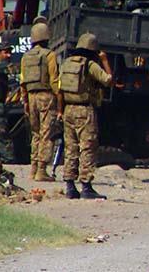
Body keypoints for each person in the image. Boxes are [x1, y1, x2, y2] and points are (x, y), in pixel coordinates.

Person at [59, 33, 113, 200]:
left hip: (68, 109)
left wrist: (60, 110)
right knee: (88, 147)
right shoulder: (90, 64)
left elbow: (59, 90)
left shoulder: (66, 64)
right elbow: (108, 80)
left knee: (70, 147)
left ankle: (70, 186)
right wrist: (105, 60)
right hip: (84, 110)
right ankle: (86, 186)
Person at [20, 23, 60, 181]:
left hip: (31, 97)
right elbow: (54, 80)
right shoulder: (49, 55)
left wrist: (25, 101)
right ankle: (42, 170)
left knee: (35, 134)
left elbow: (22, 82)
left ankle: (34, 168)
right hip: (46, 97)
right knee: (46, 133)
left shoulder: (25, 57)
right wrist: (60, 99)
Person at [0, 42, 13, 168]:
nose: (9, 55)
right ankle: (7, 160)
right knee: (1, 134)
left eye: (10, 52)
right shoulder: (2, 68)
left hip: (1, 103)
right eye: (5, 52)